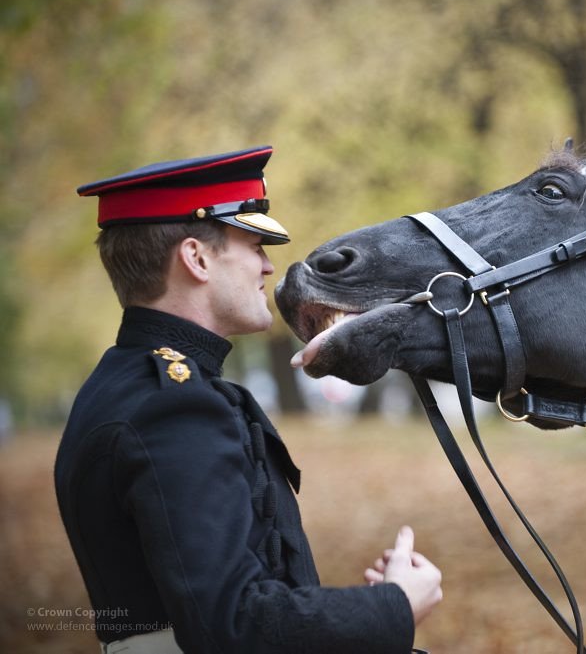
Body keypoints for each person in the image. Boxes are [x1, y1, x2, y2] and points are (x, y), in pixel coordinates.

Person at [55, 146, 442, 654]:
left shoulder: (125, 382)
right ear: (195, 258)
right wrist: (393, 605)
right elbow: (233, 625)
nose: (267, 264)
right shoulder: (174, 408)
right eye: (254, 244)